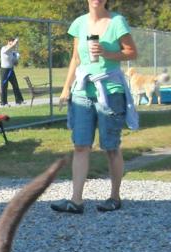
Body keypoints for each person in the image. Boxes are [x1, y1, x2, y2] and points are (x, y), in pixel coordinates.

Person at [52, 0, 138, 214]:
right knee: (80, 145)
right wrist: (66, 88)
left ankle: (114, 197)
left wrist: (108, 54)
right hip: (83, 91)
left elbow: (131, 52)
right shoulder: (79, 24)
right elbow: (76, 57)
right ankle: (76, 200)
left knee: (110, 146)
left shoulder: (117, 22)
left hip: (109, 90)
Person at [0, 37, 24, 106]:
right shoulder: (4, 49)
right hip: (4, 70)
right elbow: (11, 46)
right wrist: (15, 41)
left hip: (10, 70)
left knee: (15, 85)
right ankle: (4, 102)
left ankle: (19, 101)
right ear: (8, 42)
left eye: (13, 42)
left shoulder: (12, 52)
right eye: (12, 42)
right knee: (4, 86)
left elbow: (15, 63)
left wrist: (16, 59)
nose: (14, 44)